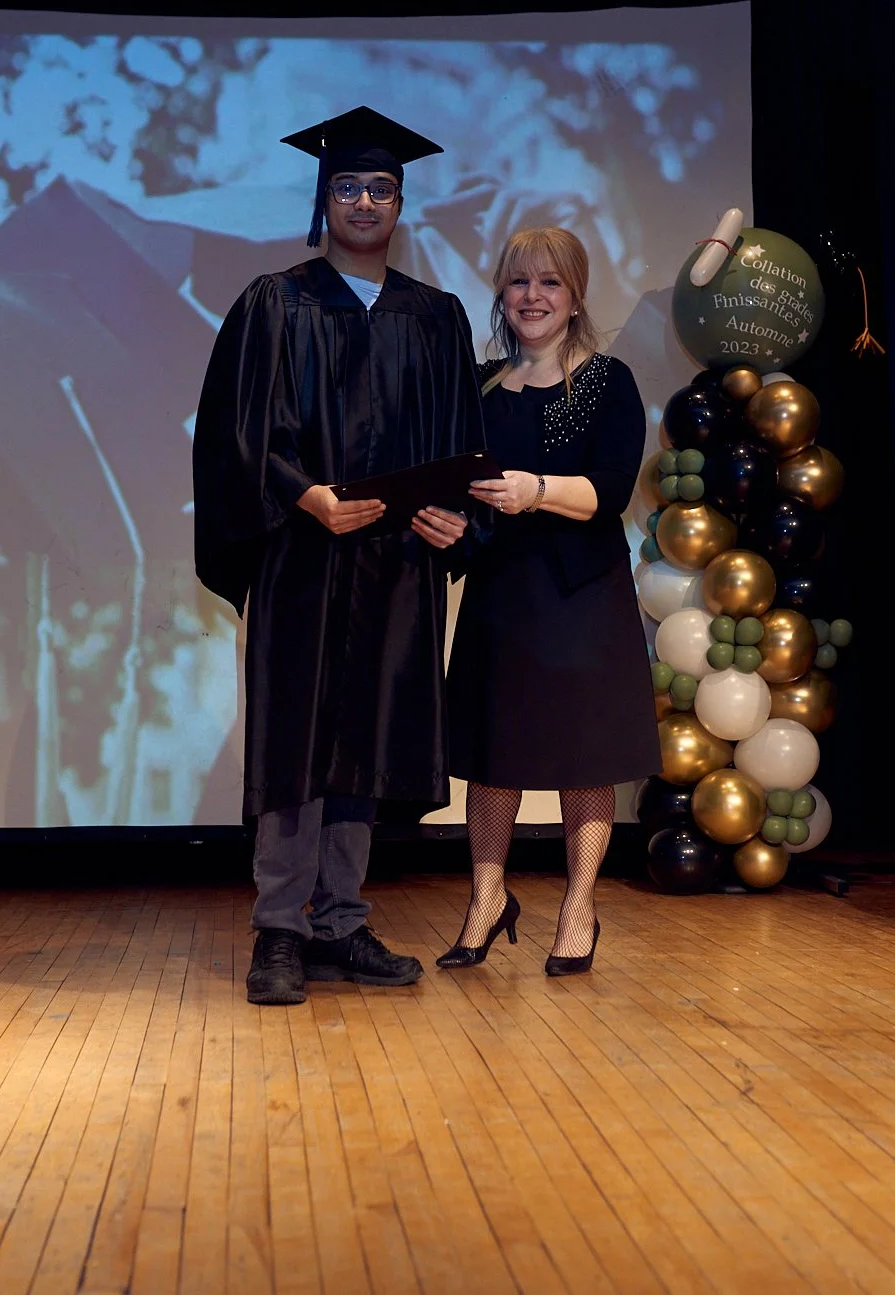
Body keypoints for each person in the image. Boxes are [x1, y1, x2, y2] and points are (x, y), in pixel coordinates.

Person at [192, 106, 486, 1006]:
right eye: (350, 186)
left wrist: (451, 521)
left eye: (381, 188)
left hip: (395, 564)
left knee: (366, 737)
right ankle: (279, 928)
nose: (365, 200)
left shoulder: (436, 318)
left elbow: (459, 442)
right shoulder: (273, 303)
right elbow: (234, 437)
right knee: (296, 738)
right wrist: (302, 494)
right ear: (325, 200)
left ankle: (342, 922)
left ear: (401, 205)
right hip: (303, 557)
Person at [438, 227, 661, 976]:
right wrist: (441, 528)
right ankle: (486, 897)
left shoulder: (605, 381)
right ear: (502, 294)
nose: (533, 297)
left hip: (580, 594)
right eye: (520, 282)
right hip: (501, 592)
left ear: (574, 298)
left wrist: (535, 490)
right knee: (492, 754)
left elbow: (610, 491)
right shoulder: (478, 387)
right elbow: (460, 497)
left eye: (551, 283)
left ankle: (578, 906)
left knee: (584, 754)